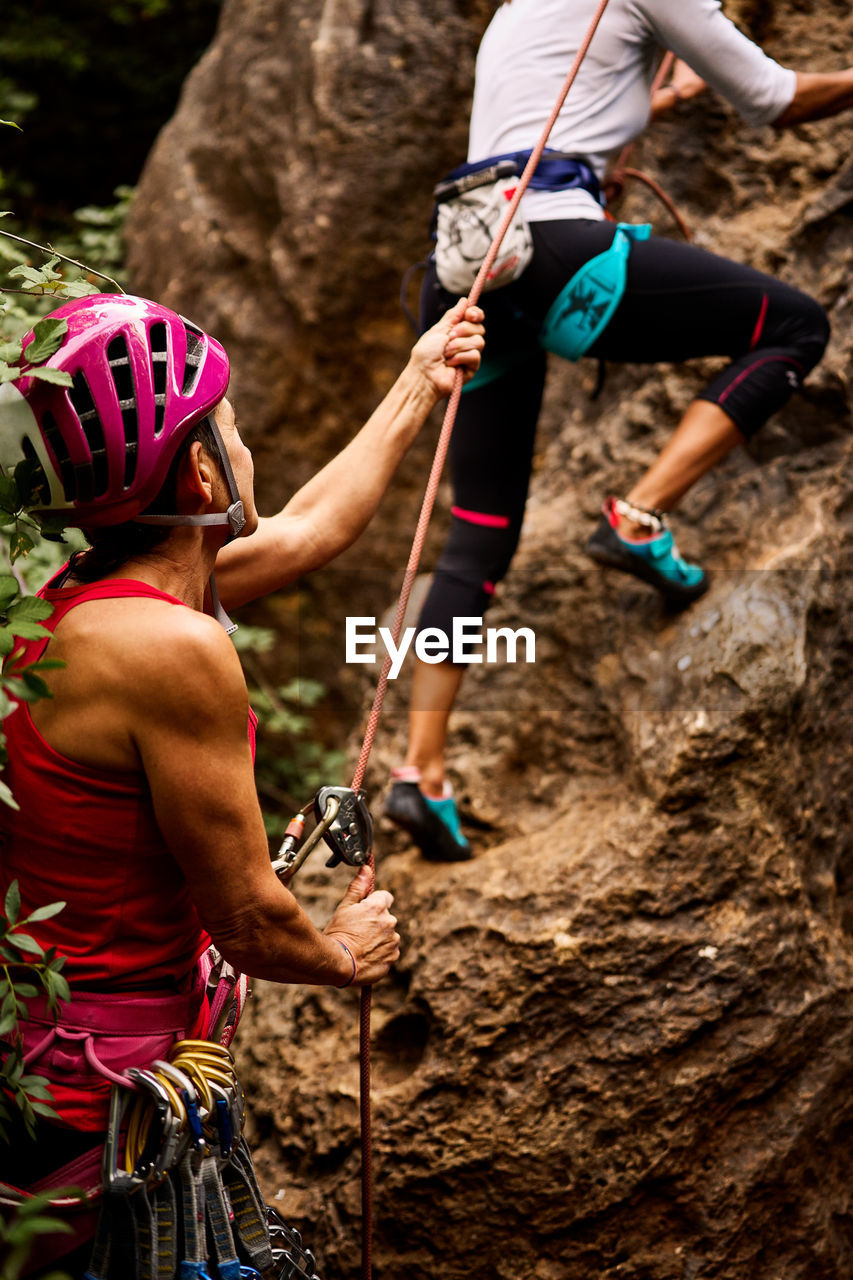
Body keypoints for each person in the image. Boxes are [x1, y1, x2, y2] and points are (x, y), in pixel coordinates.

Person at [0, 289, 483, 1277]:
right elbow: (250, 919)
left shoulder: (76, 605)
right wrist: (344, 952)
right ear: (198, 465)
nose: (245, 443)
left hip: (55, 1071)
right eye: (231, 422)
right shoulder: (167, 648)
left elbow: (309, 530)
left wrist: (418, 379)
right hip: (110, 1098)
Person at [384, 0, 853, 863]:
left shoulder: (523, 8)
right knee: (792, 327)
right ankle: (638, 515)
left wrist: (655, 101)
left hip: (464, 262)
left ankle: (420, 771)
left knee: (477, 534)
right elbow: (775, 97)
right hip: (556, 248)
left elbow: (565, 105)